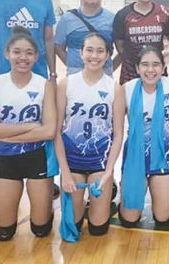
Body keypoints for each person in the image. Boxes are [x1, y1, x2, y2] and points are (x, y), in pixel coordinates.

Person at [0, 27, 56, 241]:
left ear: (36, 56)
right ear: (6, 54)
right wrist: (31, 126)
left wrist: (3, 132)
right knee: (3, 233)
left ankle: (45, 208)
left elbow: (49, 131)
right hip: (8, 160)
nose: (23, 57)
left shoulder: (45, 85)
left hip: (38, 160)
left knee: (40, 230)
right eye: (17, 52)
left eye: (29, 53)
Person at [54, 33, 115, 236]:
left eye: (100, 51)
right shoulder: (66, 84)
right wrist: (64, 173)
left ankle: (104, 196)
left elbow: (119, 133)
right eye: (89, 50)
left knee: (98, 229)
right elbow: (56, 131)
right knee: (73, 225)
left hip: (100, 164)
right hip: (72, 164)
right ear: (80, 53)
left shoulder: (114, 87)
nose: (94, 55)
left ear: (107, 55)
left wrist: (108, 173)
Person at [116, 46, 169, 228]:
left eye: (156, 65)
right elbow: (115, 129)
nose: (150, 70)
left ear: (163, 67)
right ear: (137, 68)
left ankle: (166, 197)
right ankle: (127, 187)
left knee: (163, 218)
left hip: (162, 158)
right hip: (134, 159)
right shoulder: (126, 89)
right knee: (129, 220)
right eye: (145, 65)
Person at [55, 0, 118, 76]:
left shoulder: (112, 19)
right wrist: (74, 67)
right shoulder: (67, 19)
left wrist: (109, 69)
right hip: (75, 80)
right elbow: (58, 48)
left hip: (104, 79)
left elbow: (122, 50)